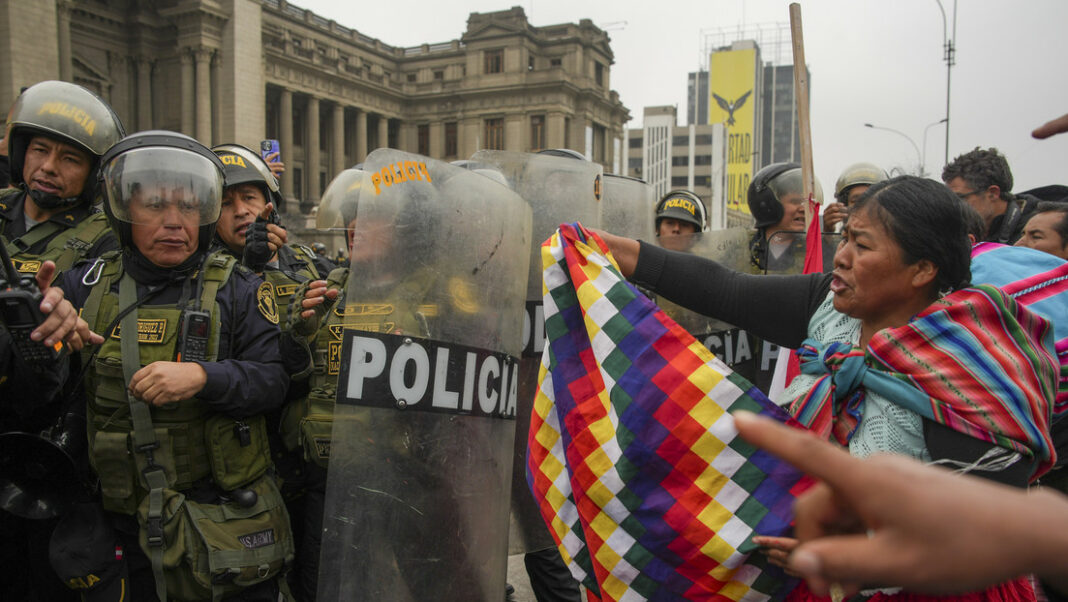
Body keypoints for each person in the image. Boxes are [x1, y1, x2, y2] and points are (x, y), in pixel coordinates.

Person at [597, 175, 1056, 601]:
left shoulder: (968, 364)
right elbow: (727, 291)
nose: (841, 256)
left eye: (863, 245)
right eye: (845, 238)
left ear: (921, 270)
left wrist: (848, 553)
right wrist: (610, 250)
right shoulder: (830, 309)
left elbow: (978, 537)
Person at [41, 130, 293, 601]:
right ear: (124, 210)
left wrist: (203, 377)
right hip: (118, 524)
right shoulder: (84, 286)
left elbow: (273, 380)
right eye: (154, 205)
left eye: (189, 207)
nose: (174, 222)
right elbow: (39, 393)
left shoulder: (237, 288)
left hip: (216, 521)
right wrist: (39, 331)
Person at [731, 410, 1068, 600]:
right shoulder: (823, 323)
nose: (834, 279)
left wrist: (1027, 532)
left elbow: (997, 488)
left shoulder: (964, 360)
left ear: (921, 278)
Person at [0, 80, 125, 277]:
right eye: (40, 150)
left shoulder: (105, 241)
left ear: (94, 175)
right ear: (22, 154)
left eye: (70, 159)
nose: (48, 167)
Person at [942, 147, 1039, 244]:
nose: (953, 206)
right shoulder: (956, 232)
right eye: (949, 199)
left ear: (993, 193)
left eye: (960, 198)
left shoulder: (1037, 232)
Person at [747, 162, 828, 273]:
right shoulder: (741, 249)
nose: (804, 209)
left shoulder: (814, 252)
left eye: (807, 202)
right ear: (770, 204)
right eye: (795, 202)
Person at [824, 162, 887, 232]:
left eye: (870, 200)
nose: (864, 207)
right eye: (857, 201)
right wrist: (828, 232)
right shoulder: (844, 239)